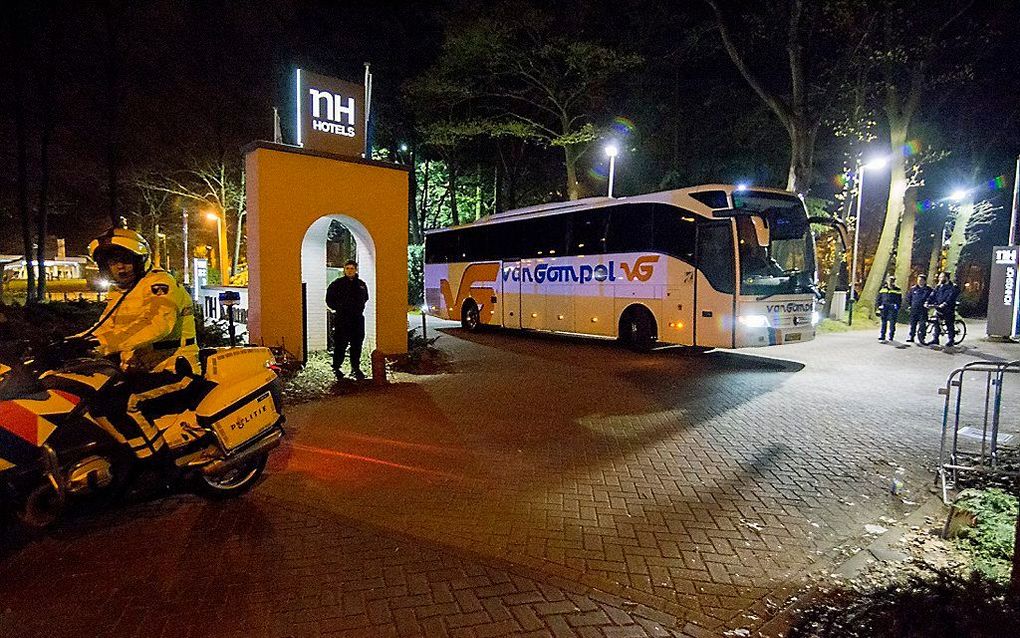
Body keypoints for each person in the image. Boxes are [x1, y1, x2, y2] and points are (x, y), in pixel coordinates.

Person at [66, 227, 200, 458]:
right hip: (140, 370)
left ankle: (158, 464)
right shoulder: (122, 293)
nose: (120, 268)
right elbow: (104, 327)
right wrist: (71, 342)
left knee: (125, 403)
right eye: (113, 262)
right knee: (96, 400)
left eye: (126, 261)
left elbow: (159, 325)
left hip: (174, 368)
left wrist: (103, 344)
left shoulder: (159, 284)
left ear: (139, 260)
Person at [326, 259, 369, 380]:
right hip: (342, 319)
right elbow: (329, 300)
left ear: (356, 270)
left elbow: (365, 298)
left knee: (357, 344)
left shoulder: (361, 285)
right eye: (347, 268)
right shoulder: (337, 284)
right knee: (341, 344)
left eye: (352, 269)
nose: (350, 271)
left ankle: (355, 368)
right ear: (344, 270)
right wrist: (340, 308)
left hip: (357, 319)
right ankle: (336, 367)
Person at [928, 271, 960, 346]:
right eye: (939, 277)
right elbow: (932, 295)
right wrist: (927, 302)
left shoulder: (953, 287)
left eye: (941, 277)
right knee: (936, 322)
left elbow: (951, 297)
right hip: (939, 308)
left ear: (946, 278)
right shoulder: (939, 286)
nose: (940, 279)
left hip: (948, 309)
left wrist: (945, 303)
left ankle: (951, 340)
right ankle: (935, 339)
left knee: (949, 323)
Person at [905, 273, 933, 343]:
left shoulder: (929, 290)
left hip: (923, 310)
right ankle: (911, 336)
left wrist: (928, 304)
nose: (919, 281)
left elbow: (932, 298)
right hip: (914, 309)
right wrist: (910, 305)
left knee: (922, 325)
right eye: (918, 280)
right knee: (912, 324)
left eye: (921, 280)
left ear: (924, 281)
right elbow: (908, 297)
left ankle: (922, 337)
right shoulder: (913, 289)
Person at [875, 275, 903, 341]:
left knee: (892, 323)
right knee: (884, 322)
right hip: (884, 307)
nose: (891, 282)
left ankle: (891, 336)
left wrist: (897, 307)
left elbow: (899, 300)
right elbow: (879, 298)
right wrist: (879, 306)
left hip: (893, 308)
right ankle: (882, 336)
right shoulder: (883, 289)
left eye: (892, 280)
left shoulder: (897, 290)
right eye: (890, 280)